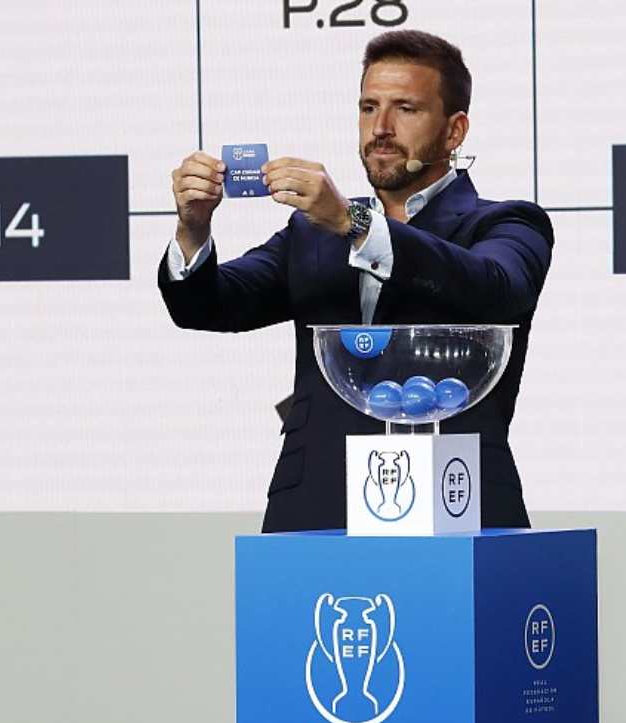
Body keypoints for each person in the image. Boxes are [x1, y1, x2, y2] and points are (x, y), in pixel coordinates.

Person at [160, 30, 553, 533]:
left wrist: (357, 225)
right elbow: (208, 306)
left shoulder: (507, 223)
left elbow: (495, 287)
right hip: (317, 504)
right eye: (369, 107)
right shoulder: (311, 232)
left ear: (455, 131)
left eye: (405, 109)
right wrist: (193, 228)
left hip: (458, 501)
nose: (381, 128)